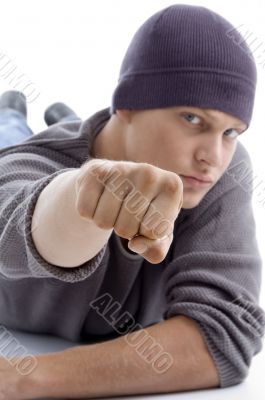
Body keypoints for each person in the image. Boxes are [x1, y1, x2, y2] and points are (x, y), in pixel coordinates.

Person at [0, 4, 264, 399]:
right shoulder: (29, 161)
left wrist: (27, 378)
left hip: (111, 133)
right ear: (126, 103)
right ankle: (12, 109)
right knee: (11, 131)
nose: (213, 156)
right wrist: (85, 195)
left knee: (77, 124)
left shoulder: (218, 171)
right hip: (20, 146)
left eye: (231, 131)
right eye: (192, 118)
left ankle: (62, 112)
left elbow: (225, 337)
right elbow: (19, 232)